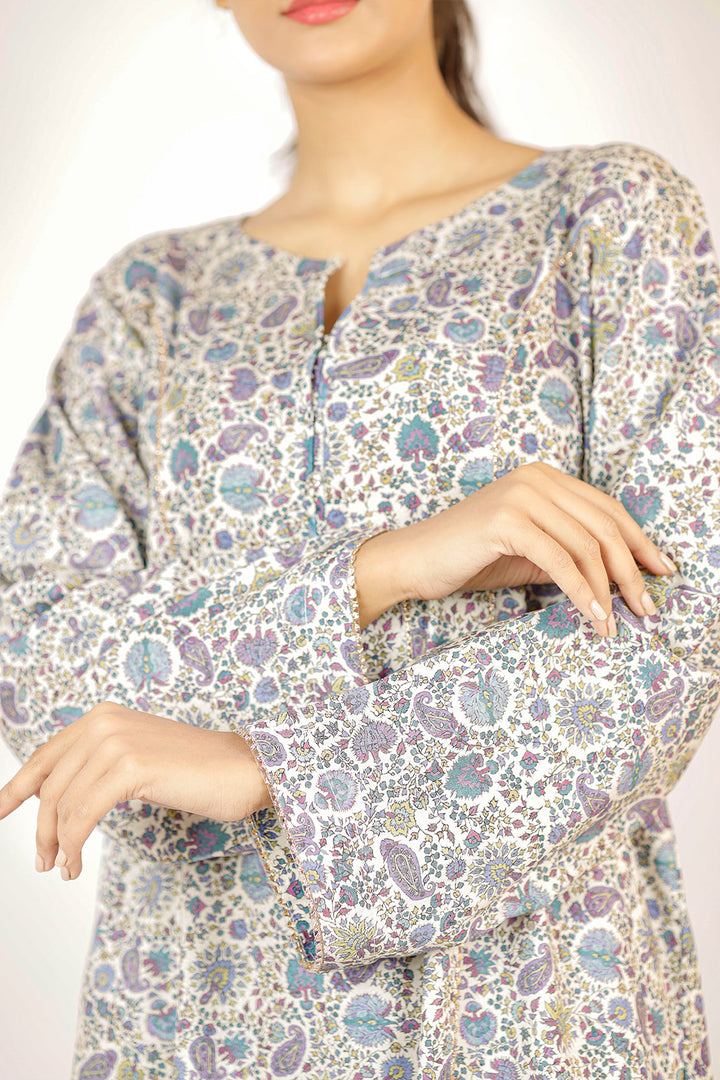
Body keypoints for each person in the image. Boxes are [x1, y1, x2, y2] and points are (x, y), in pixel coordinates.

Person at [0, 0, 718, 1076]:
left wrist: (274, 772)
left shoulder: (604, 220)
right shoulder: (152, 302)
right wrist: (379, 572)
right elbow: (35, 651)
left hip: (532, 1005)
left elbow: (678, 623)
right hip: (194, 1011)